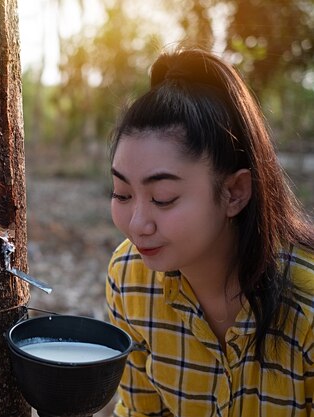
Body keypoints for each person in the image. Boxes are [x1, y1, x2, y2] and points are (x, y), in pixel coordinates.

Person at [105, 47, 314, 417]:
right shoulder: (130, 279)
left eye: (163, 198)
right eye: (122, 194)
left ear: (234, 193)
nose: (137, 225)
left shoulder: (307, 305)